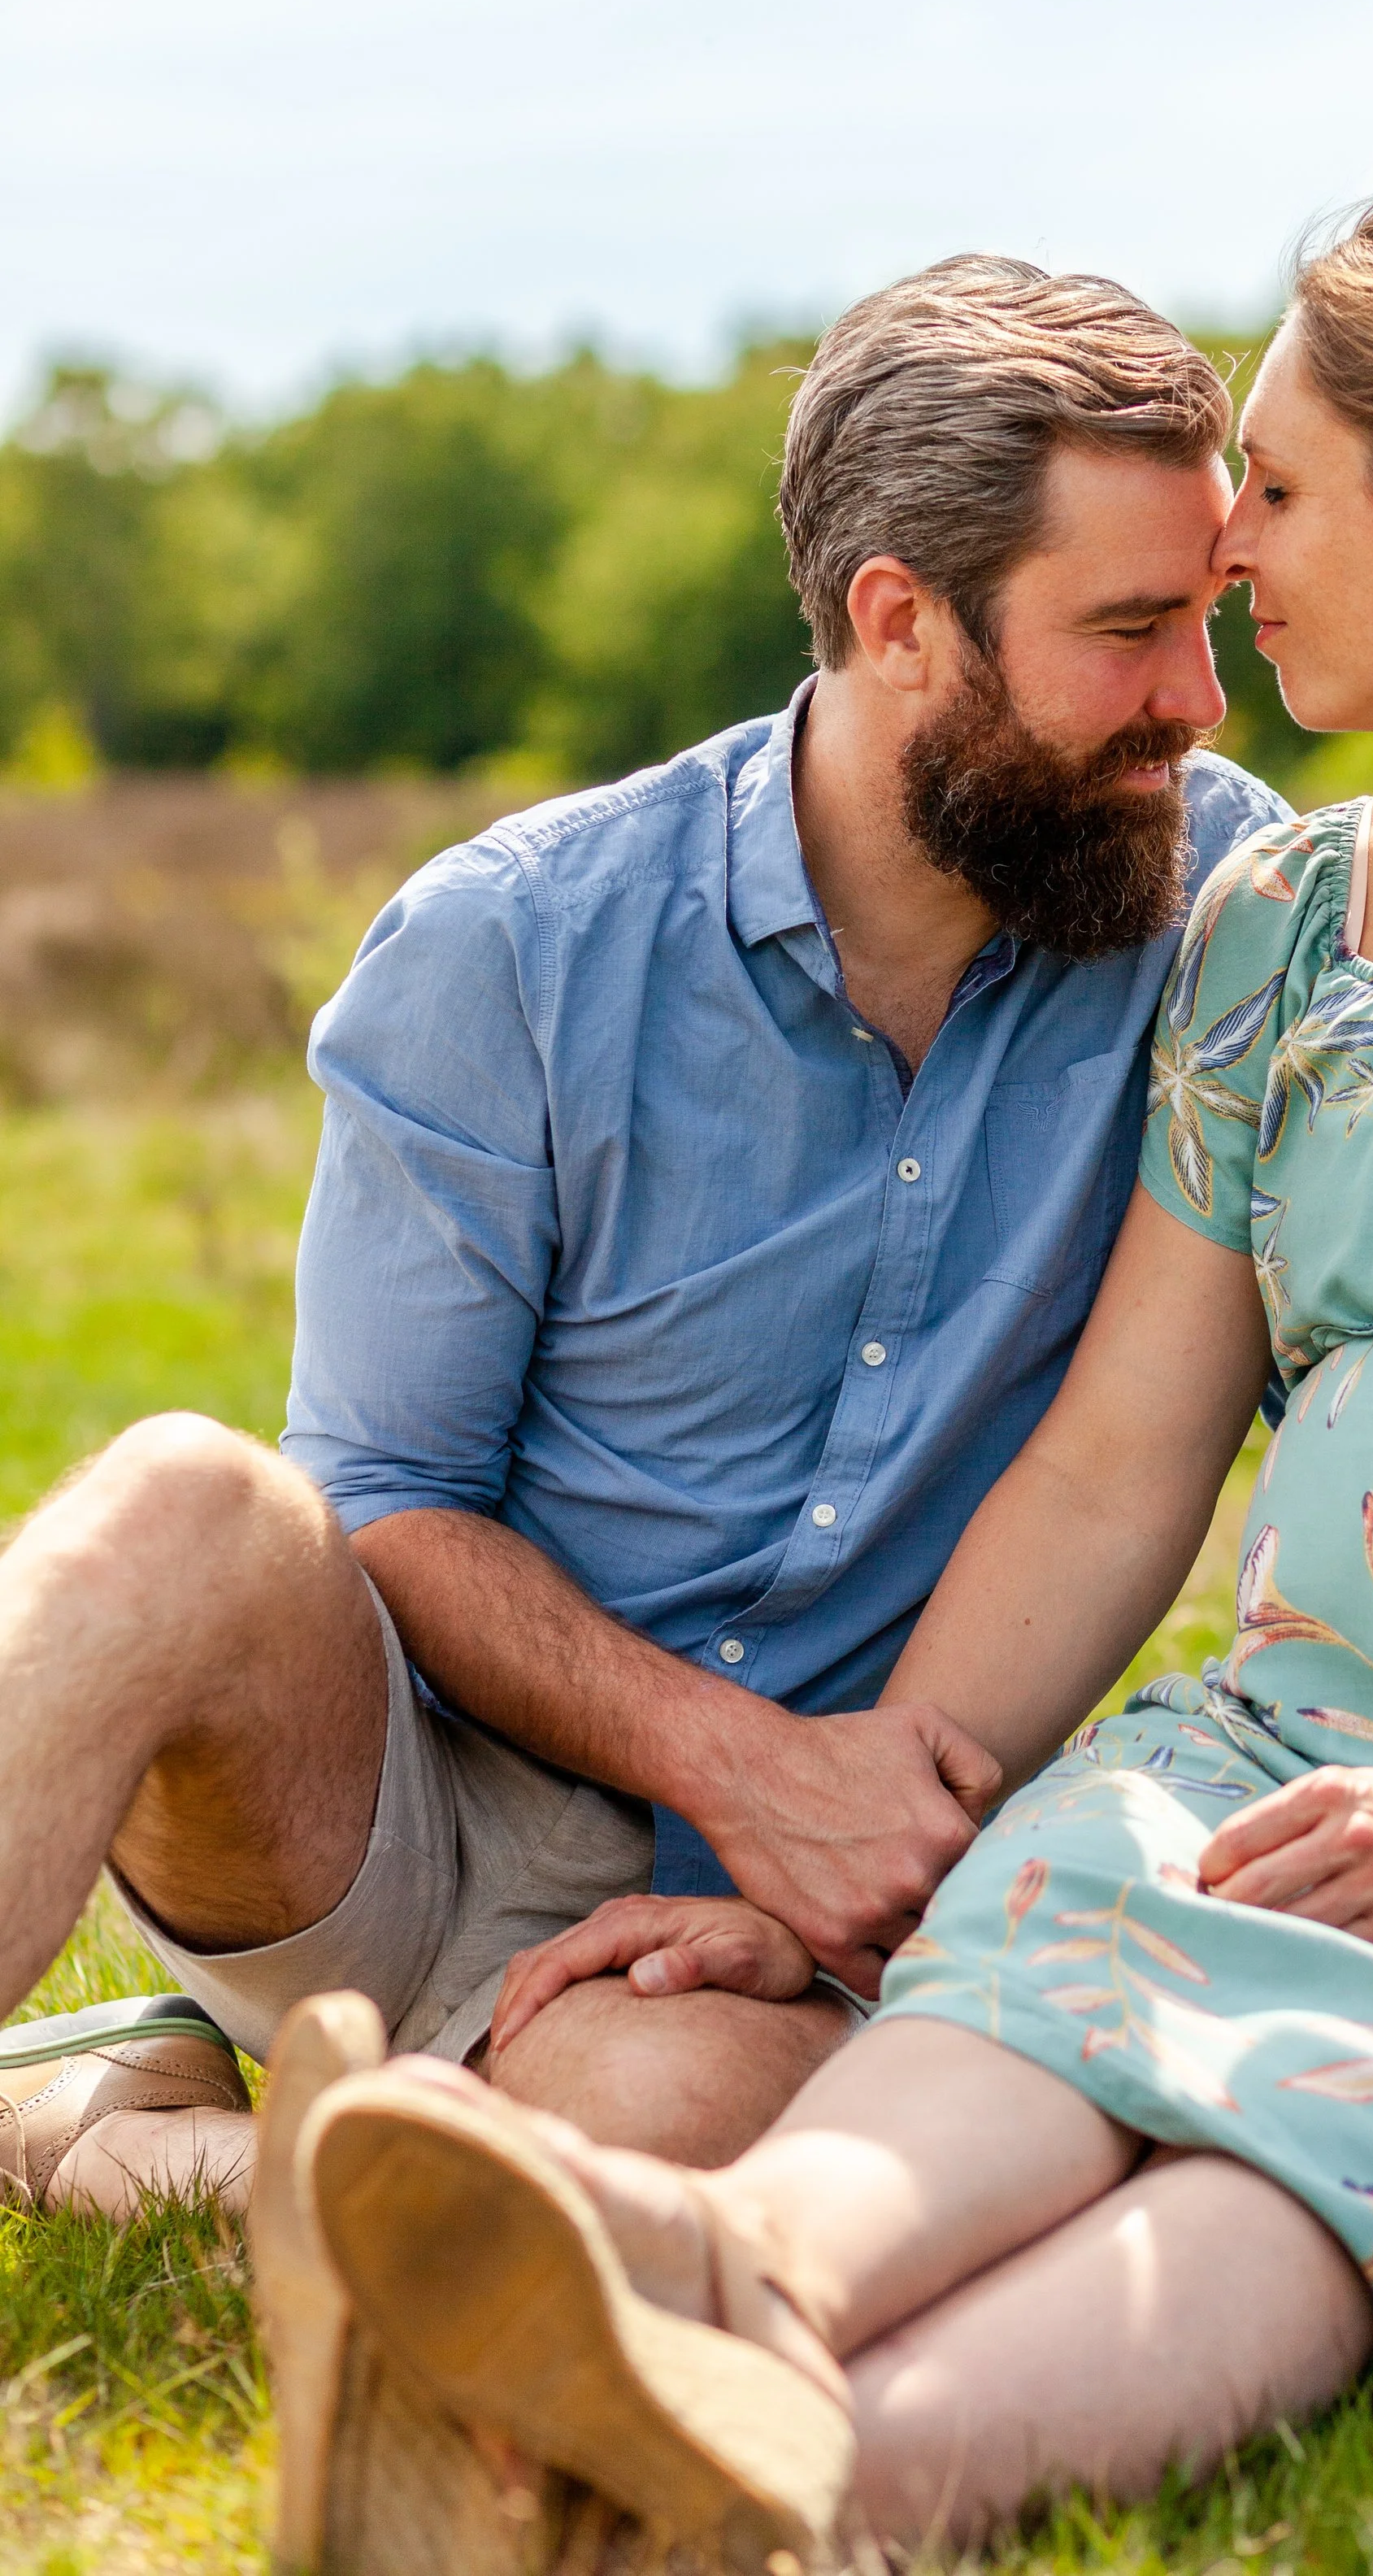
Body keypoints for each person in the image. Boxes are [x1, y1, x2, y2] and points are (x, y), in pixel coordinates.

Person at [280, 193, 1373, 2558]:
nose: (1235, 566)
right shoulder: (1284, 922)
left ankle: (754, 2506)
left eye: (1280, 495)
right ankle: (719, 2286)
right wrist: (852, 1851)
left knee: (1345, 2087)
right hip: (1307, 1747)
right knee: (1043, 1942)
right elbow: (1115, 1459)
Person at [0, 255, 1289, 2222]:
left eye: (1206, 622)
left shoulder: (1233, 916)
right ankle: (256, 2089)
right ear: (899, 623)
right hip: (403, 1821)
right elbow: (397, 1496)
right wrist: (737, 1764)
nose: (1193, 706)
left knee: (660, 2133)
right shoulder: (508, 945)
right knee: (182, 1500)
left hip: (811, 1902)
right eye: (1128, 633)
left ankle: (146, 2146)